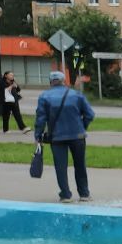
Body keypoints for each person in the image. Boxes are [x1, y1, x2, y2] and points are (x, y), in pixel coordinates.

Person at [34, 70, 94, 203]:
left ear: (50, 82)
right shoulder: (76, 95)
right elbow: (90, 114)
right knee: (80, 165)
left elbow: (40, 119)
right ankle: (84, 193)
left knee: (60, 167)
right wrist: (82, 127)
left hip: (57, 137)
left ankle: (66, 195)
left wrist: (38, 135)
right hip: (78, 136)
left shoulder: (44, 96)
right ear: (64, 81)